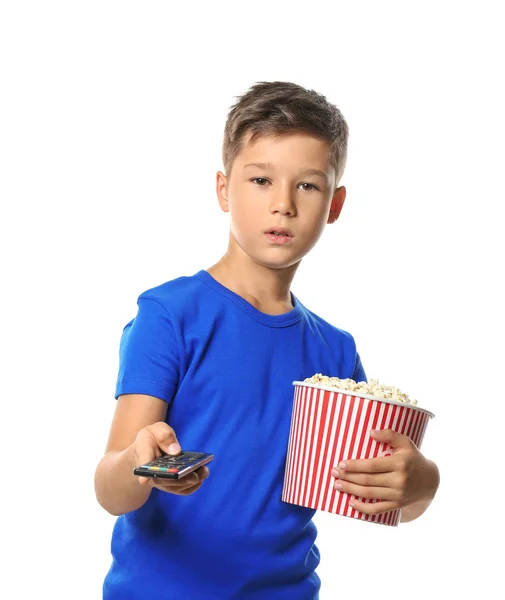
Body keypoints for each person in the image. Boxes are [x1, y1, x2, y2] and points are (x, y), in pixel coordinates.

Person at [94, 80, 440, 599]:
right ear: (223, 189)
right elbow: (110, 489)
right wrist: (140, 467)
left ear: (336, 203)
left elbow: (379, 496)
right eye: (260, 180)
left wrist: (422, 483)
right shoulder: (170, 315)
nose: (283, 204)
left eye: (307, 185)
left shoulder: (336, 351)